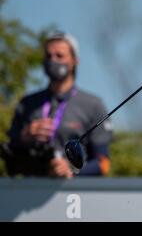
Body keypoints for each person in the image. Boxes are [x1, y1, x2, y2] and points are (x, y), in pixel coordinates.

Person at [3, 32, 113, 177]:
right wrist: (24, 136)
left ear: (75, 60)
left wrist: (71, 170)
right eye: (48, 56)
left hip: (76, 196)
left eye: (59, 56)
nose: (53, 60)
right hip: (31, 191)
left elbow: (104, 163)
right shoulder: (27, 103)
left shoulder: (92, 104)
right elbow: (9, 154)